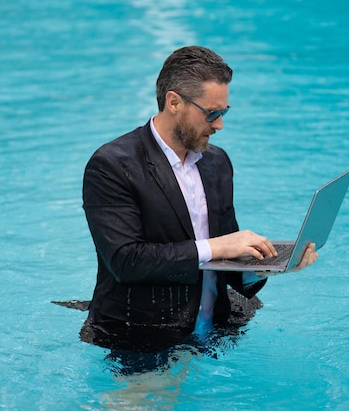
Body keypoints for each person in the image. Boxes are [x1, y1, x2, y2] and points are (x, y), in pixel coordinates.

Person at [80, 46, 318, 353]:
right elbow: (127, 261)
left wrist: (267, 265)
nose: (219, 125)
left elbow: (226, 253)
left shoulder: (217, 162)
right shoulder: (113, 166)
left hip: (218, 330)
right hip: (143, 336)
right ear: (174, 101)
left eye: (224, 112)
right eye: (212, 113)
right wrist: (216, 246)